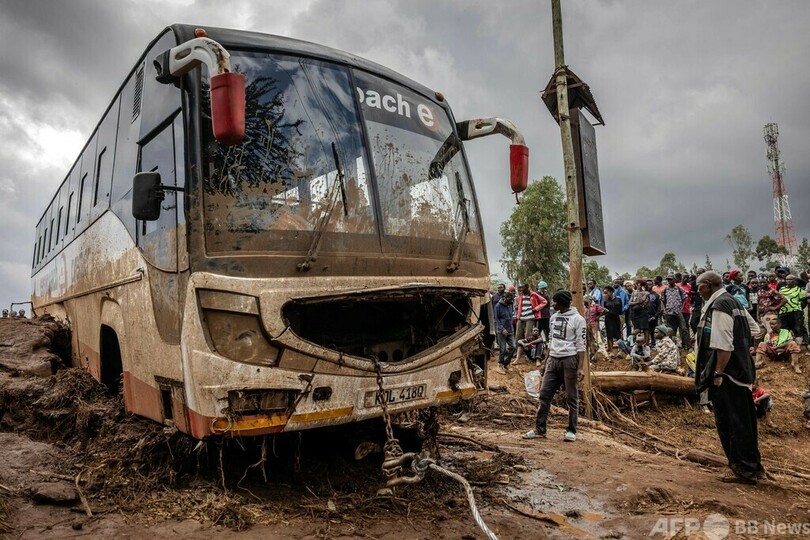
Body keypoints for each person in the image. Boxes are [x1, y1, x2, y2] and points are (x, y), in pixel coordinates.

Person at [694, 271, 765, 484]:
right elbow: (755, 329)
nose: (698, 291)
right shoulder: (733, 301)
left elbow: (723, 346)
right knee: (743, 420)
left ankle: (745, 470)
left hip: (727, 375)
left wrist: (717, 373)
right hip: (742, 372)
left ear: (707, 285)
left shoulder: (720, 306)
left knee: (732, 423)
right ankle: (750, 466)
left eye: (699, 287)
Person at [524, 290, 586, 442]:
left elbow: (581, 344)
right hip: (553, 359)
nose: (553, 304)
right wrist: (545, 361)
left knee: (572, 397)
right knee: (544, 394)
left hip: (569, 360)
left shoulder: (578, 320)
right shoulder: (553, 318)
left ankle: (571, 430)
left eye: (555, 302)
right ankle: (540, 428)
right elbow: (551, 341)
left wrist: (580, 367)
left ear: (563, 303)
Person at [514, 284, 546, 363]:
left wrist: (536, 309)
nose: (521, 290)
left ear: (527, 288)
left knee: (528, 335)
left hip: (530, 317)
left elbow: (544, 301)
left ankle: (527, 353)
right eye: (520, 289)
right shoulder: (520, 295)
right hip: (521, 317)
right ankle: (517, 353)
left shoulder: (533, 294)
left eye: (522, 288)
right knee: (518, 335)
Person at [661, 275, 688, 349]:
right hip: (669, 313)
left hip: (678, 312)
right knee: (671, 330)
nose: (669, 281)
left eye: (671, 279)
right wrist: (665, 310)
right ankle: (672, 346)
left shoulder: (679, 289)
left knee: (683, 328)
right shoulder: (665, 290)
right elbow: (663, 301)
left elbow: (684, 299)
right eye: (668, 280)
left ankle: (686, 345)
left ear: (674, 280)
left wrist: (681, 309)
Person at [778, 275, 806, 345]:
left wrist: (799, 308)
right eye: (787, 279)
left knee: (797, 329)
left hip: (796, 312)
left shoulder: (799, 290)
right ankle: (785, 345)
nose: (788, 281)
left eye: (790, 279)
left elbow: (804, 301)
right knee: (784, 329)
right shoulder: (781, 290)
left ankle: (797, 345)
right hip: (784, 311)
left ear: (794, 281)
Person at [494, 291, 516, 373]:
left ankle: (506, 363)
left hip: (510, 330)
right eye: (509, 299)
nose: (511, 301)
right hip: (501, 331)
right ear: (505, 298)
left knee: (513, 347)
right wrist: (502, 329)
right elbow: (496, 319)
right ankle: (500, 364)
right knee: (502, 349)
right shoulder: (498, 306)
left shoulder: (511, 304)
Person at [602, 286, 623, 357]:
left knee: (618, 335)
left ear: (611, 292)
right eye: (604, 293)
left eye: (606, 293)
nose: (605, 294)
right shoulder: (605, 301)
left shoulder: (618, 299)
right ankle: (611, 352)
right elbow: (604, 310)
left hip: (616, 318)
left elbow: (620, 310)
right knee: (609, 334)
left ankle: (620, 351)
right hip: (608, 319)